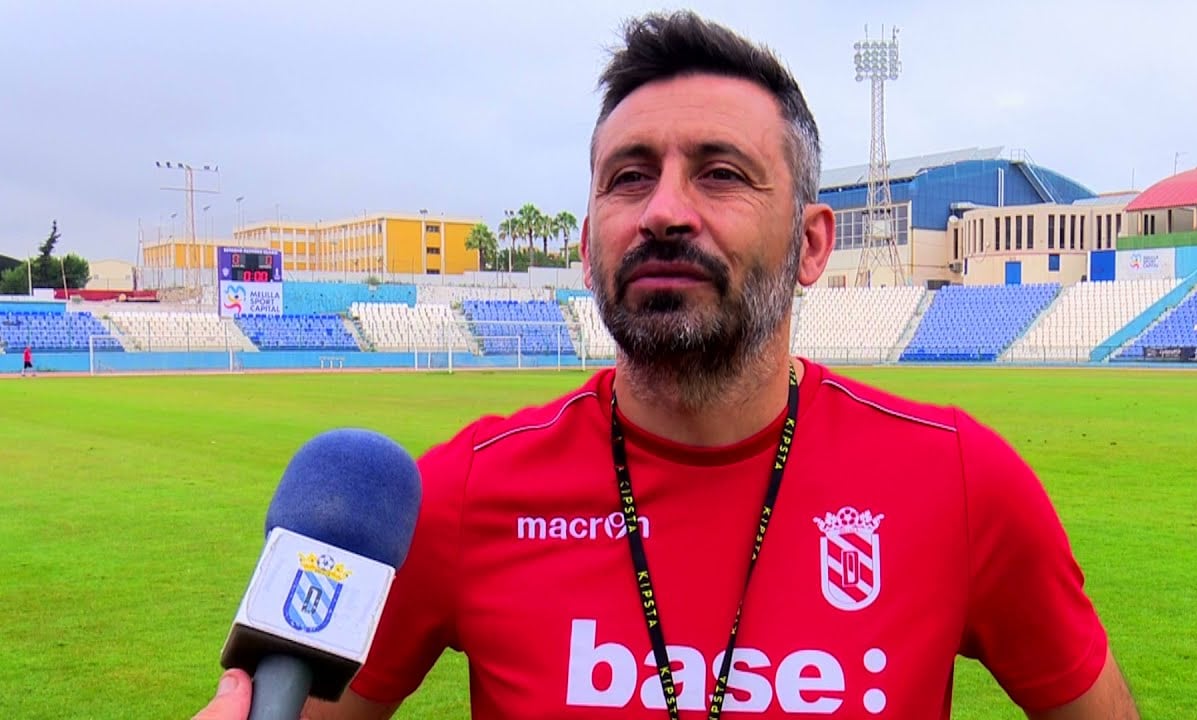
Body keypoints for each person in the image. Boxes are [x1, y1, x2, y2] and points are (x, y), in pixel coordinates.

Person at [195, 10, 1139, 720]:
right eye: (629, 177)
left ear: (814, 243)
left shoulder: (962, 481)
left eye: (722, 172)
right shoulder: (460, 493)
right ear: (589, 238)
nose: (664, 211)